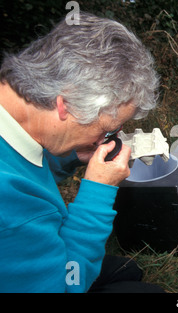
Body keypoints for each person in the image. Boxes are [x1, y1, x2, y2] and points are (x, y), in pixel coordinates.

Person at [0, 12, 164, 292]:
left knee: (128, 269)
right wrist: (97, 192)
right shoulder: (9, 204)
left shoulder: (19, 120)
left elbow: (29, 166)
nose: (107, 138)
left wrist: (72, 155)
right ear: (65, 106)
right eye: (107, 128)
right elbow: (66, 284)